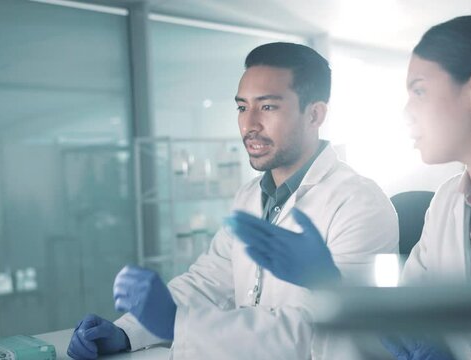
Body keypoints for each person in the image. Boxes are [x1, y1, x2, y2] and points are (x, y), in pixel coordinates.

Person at [228, 16, 471, 359]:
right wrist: (327, 281)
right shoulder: (446, 206)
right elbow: (405, 327)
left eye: (420, 90)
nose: (407, 110)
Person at [66, 42, 398, 360]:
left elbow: (325, 330)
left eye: (267, 106)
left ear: (314, 115)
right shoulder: (251, 195)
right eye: (242, 107)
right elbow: (209, 283)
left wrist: (175, 323)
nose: (249, 124)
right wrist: (128, 331)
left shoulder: (360, 204)